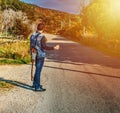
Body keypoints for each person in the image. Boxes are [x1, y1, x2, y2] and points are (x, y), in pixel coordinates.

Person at [30, 23, 59, 91]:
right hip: (40, 55)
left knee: (37, 69)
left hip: (34, 53)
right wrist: (54, 48)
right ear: (43, 29)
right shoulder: (42, 36)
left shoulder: (32, 35)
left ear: (37, 28)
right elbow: (44, 47)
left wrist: (31, 54)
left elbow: (31, 45)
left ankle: (35, 84)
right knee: (38, 70)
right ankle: (37, 87)